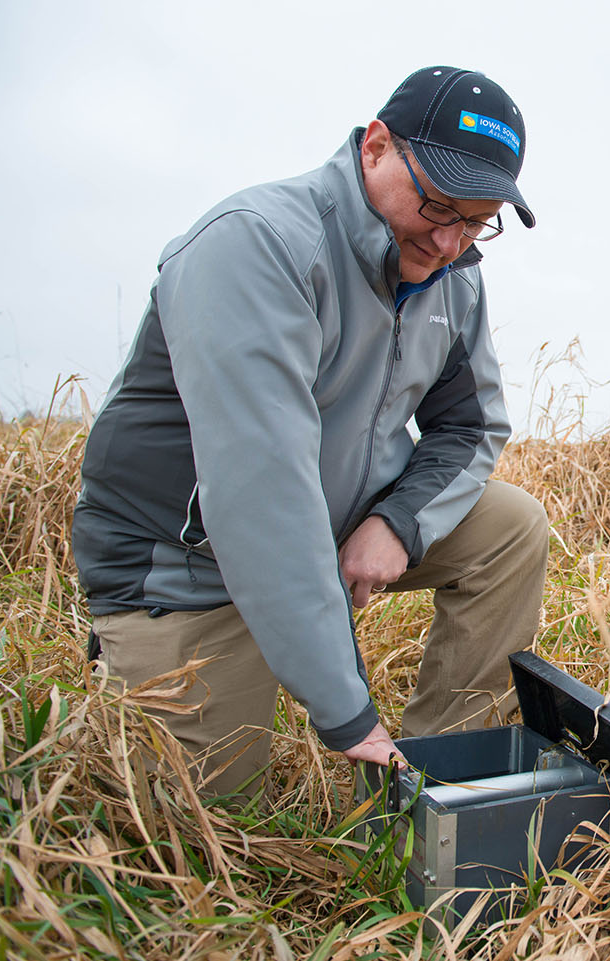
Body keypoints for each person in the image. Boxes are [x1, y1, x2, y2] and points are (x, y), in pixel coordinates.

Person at [72, 66, 549, 799]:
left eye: (477, 220)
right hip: (190, 568)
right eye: (438, 205)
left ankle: (434, 792)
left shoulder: (454, 273)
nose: (451, 242)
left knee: (511, 527)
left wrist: (397, 522)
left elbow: (472, 426)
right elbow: (262, 501)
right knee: (216, 832)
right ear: (376, 147)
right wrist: (350, 716)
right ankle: (146, 662)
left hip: (329, 520)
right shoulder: (258, 246)